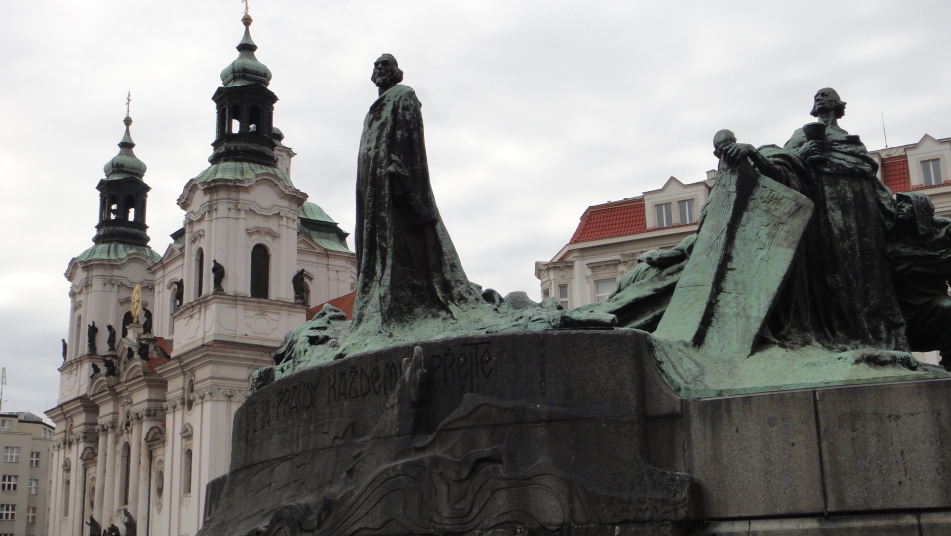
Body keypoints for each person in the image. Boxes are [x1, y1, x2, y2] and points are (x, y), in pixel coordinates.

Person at [353, 54, 478, 327]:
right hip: (372, 184)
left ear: (396, 71)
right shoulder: (374, 109)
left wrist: (401, 175)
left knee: (405, 240)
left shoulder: (403, 95)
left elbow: (410, 138)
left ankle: (412, 300)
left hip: (392, 179)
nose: (379, 69)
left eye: (385, 65)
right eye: (376, 66)